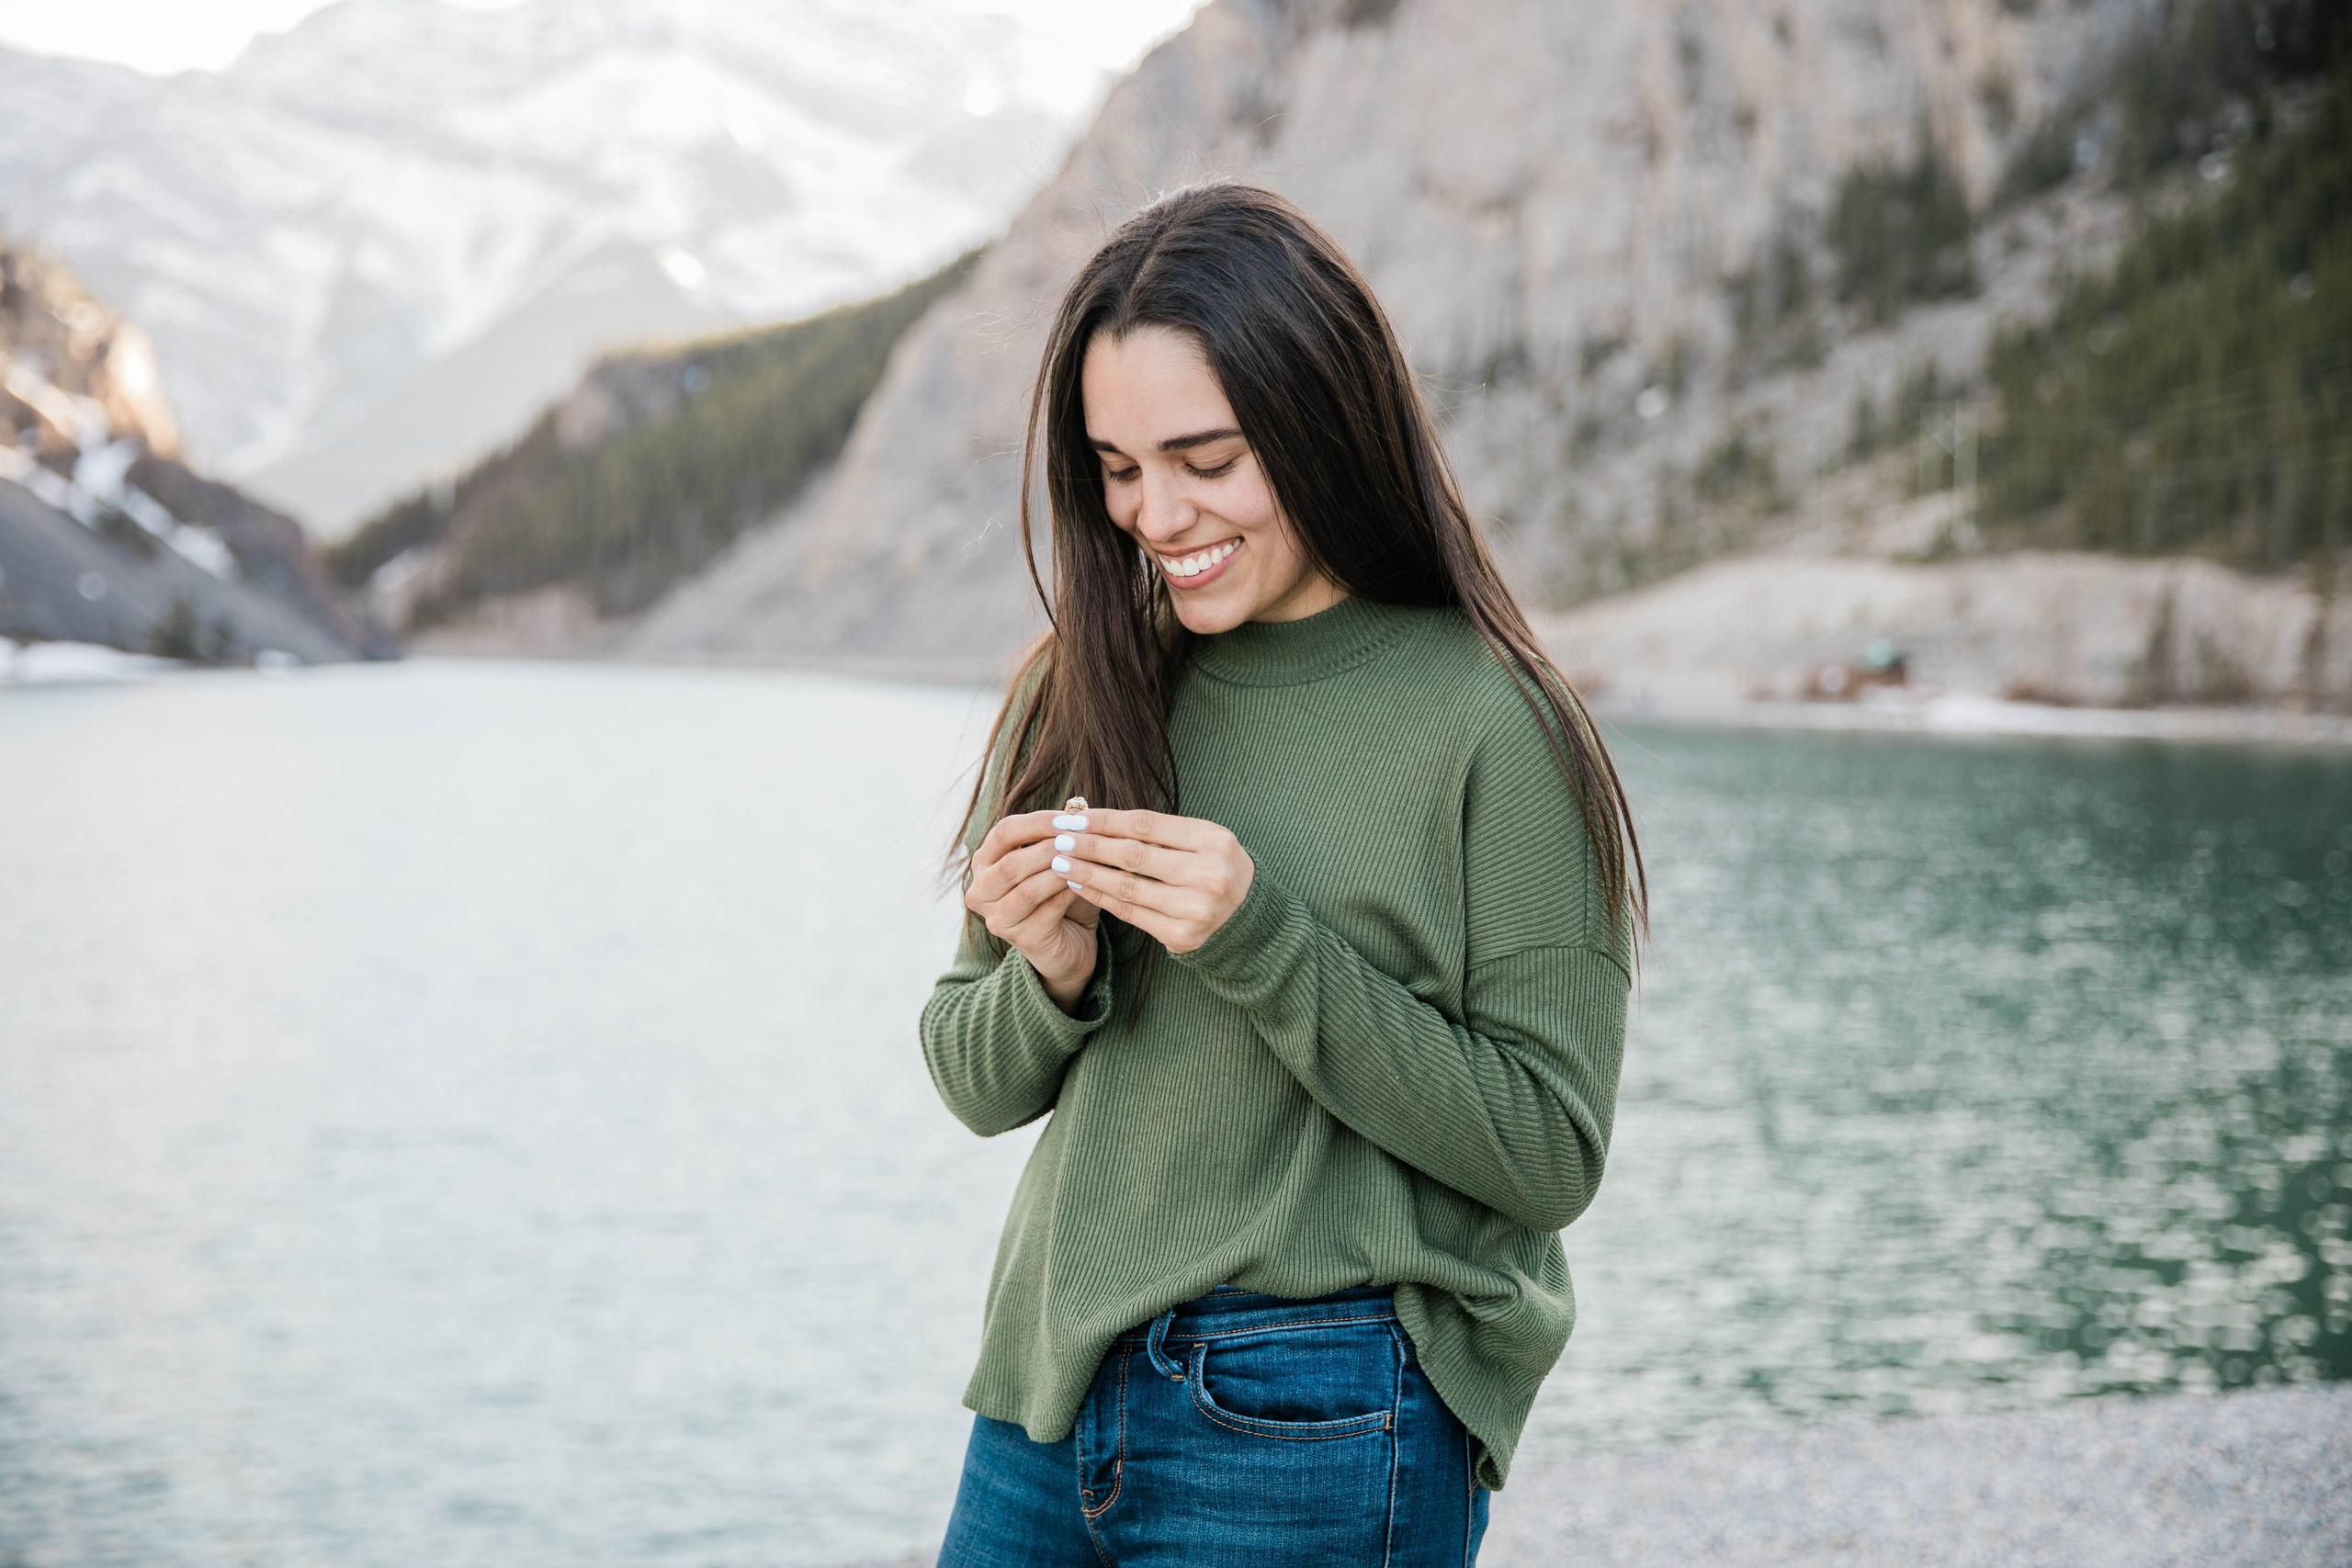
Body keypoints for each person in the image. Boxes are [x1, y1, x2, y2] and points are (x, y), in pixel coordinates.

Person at [921, 181, 1642, 1566]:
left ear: (1320, 422)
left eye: (1207, 458)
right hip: (1041, 1389)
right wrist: (1051, 977)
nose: (1155, 512)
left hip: (1322, 1410)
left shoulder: (1491, 719)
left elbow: (1551, 1151)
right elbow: (970, 1070)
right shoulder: (1080, 686)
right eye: (1118, 467)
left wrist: (1261, 939)